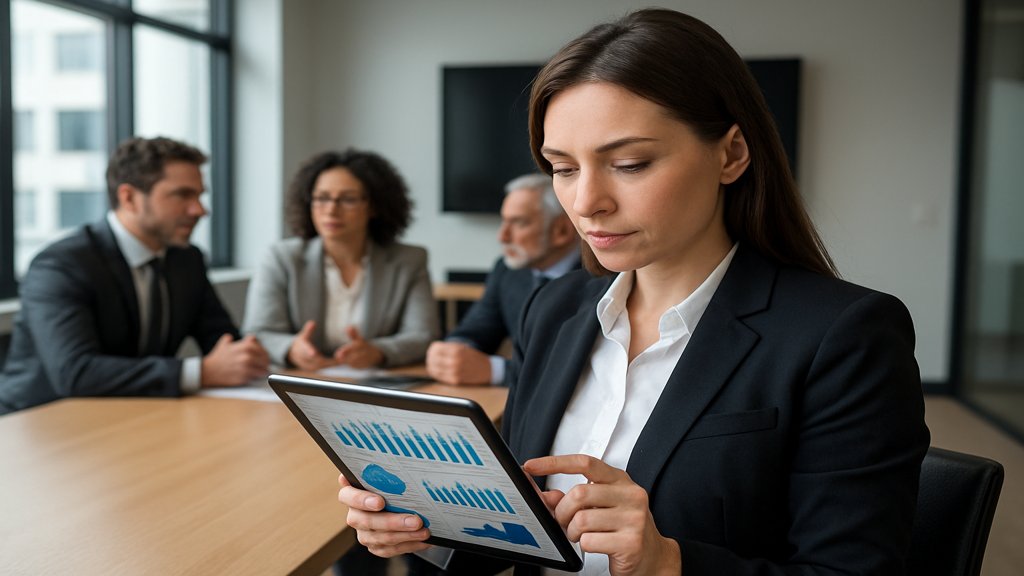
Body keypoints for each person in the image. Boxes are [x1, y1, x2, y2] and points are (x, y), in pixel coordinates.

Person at [337, 8, 931, 576]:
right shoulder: (555, 310)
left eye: (629, 163)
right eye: (563, 168)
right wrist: (429, 527)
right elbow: (521, 536)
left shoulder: (844, 335)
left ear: (731, 153)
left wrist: (666, 563)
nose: (585, 202)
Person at [0, 136, 270, 415]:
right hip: (40, 424)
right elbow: (76, 373)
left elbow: (222, 340)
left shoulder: (187, 260)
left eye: (200, 195)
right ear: (128, 197)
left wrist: (246, 355)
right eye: (183, 195)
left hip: (133, 415)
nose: (200, 210)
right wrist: (200, 372)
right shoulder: (62, 265)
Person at [243, 149, 439, 372]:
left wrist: (378, 351)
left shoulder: (409, 260)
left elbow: (423, 336)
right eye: (322, 198)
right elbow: (258, 332)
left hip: (374, 386)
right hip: (301, 382)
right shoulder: (281, 258)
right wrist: (291, 349)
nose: (331, 210)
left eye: (348, 199)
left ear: (374, 206)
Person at [426, 173, 579, 386]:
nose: (502, 236)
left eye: (518, 223)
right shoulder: (507, 270)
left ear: (561, 230)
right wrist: (453, 352)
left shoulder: (602, 279)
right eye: (504, 221)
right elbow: (478, 328)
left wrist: (495, 370)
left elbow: (577, 369)